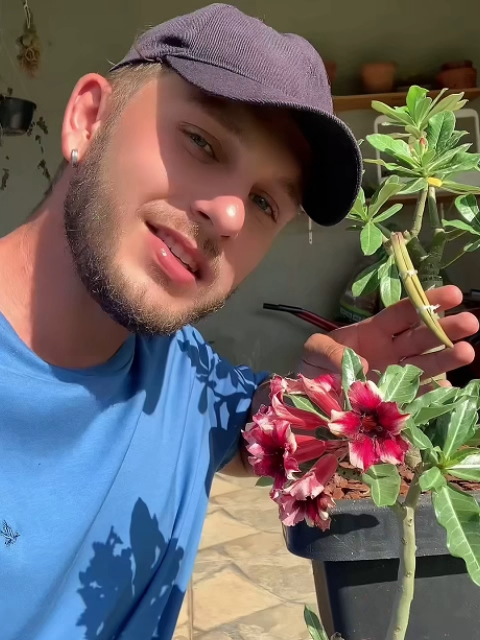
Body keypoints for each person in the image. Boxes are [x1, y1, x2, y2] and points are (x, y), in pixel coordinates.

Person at [0, 4, 477, 639]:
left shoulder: (178, 363)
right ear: (89, 119)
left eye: (264, 202)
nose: (229, 217)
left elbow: (239, 431)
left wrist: (314, 399)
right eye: (201, 141)